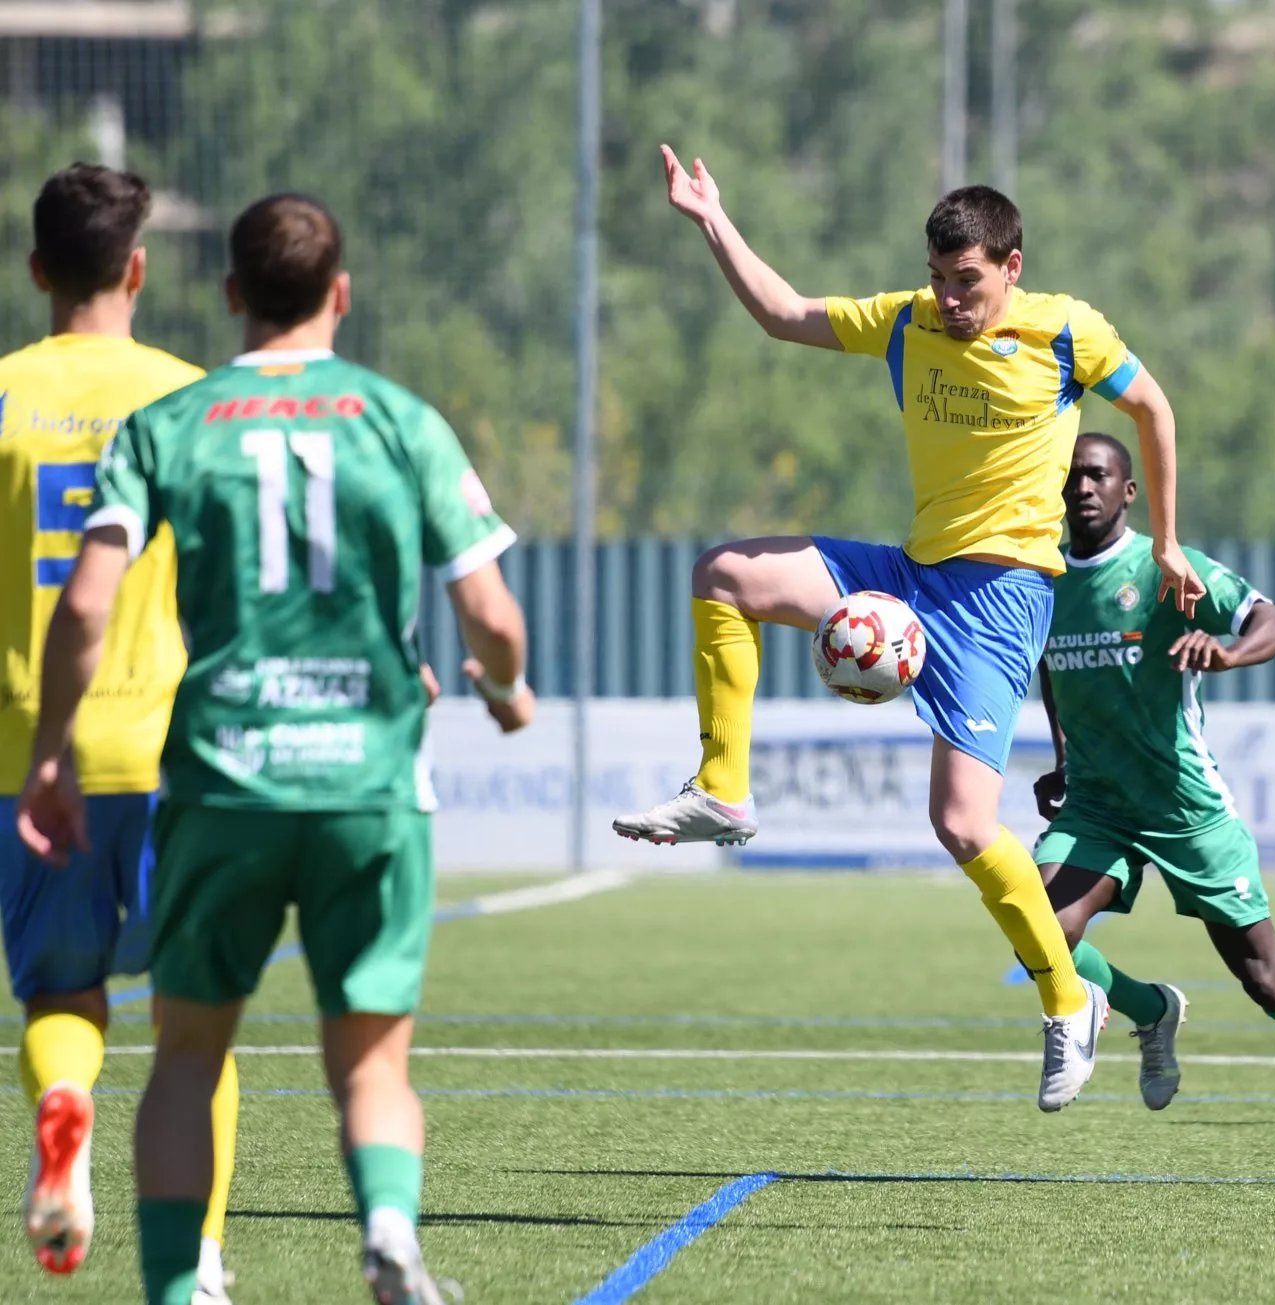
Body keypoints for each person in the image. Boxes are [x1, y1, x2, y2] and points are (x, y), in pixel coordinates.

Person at [16, 192, 535, 1305]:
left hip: (218, 776)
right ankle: (389, 1232)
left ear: (231, 294)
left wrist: (51, 750)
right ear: (341, 294)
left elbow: (88, 606)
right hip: (366, 781)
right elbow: (490, 615)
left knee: (186, 1050)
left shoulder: (173, 425)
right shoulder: (401, 420)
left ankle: (173, 1289)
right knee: (370, 1061)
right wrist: (503, 688)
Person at [611, 148, 1204, 1111]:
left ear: (1012, 266)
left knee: (963, 825)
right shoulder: (908, 323)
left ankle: (1073, 1003)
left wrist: (1169, 542)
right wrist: (712, 218)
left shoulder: (1067, 333)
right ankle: (723, 790)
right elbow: (782, 313)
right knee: (722, 572)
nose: (950, 299)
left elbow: (1153, 407)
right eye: (938, 279)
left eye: (966, 280)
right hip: (911, 573)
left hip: (1003, 597)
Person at [1032, 433, 1275, 1185]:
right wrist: (1063, 755)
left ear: (1128, 491)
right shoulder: (1044, 578)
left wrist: (1229, 652)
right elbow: (1052, 666)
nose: (1083, 487)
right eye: (1072, 475)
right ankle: (1146, 1008)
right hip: (1099, 804)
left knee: (1265, 978)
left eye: (1098, 475)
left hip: (1186, 810)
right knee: (1036, 925)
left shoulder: (1166, 569)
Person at [0, 163, 241, 1295]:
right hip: (169, 755)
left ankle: (64, 1102)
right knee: (197, 1014)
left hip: (21, 755)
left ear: (37, 269)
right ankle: (194, 1262)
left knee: (59, 998)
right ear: (137, 270)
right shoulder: (193, 399)